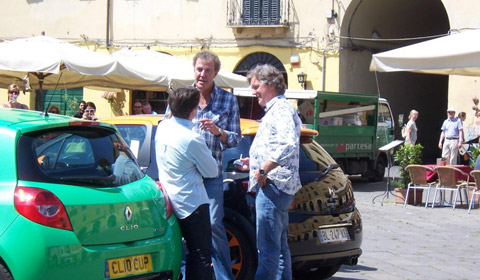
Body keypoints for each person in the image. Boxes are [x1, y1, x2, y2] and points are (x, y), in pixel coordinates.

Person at [164, 50, 240, 280]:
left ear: (216, 73)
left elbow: (236, 138)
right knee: (184, 229)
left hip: (211, 176)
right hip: (184, 178)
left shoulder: (228, 99)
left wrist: (219, 132)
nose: (202, 74)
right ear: (194, 70)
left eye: (208, 70)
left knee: (214, 225)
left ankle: (224, 277)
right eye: (199, 69)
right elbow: (167, 125)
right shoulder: (182, 96)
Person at [237, 64, 302, 279]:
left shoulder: (281, 109)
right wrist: (253, 163)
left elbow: (287, 144)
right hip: (278, 186)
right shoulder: (279, 108)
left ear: (270, 85)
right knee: (279, 248)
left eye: (256, 86)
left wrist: (263, 169)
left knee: (268, 249)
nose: (253, 91)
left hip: (274, 186)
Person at [155, 87, 218, 280]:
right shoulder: (191, 138)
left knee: (180, 253)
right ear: (194, 110)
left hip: (170, 197)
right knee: (200, 254)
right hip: (192, 202)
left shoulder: (163, 127)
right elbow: (212, 170)